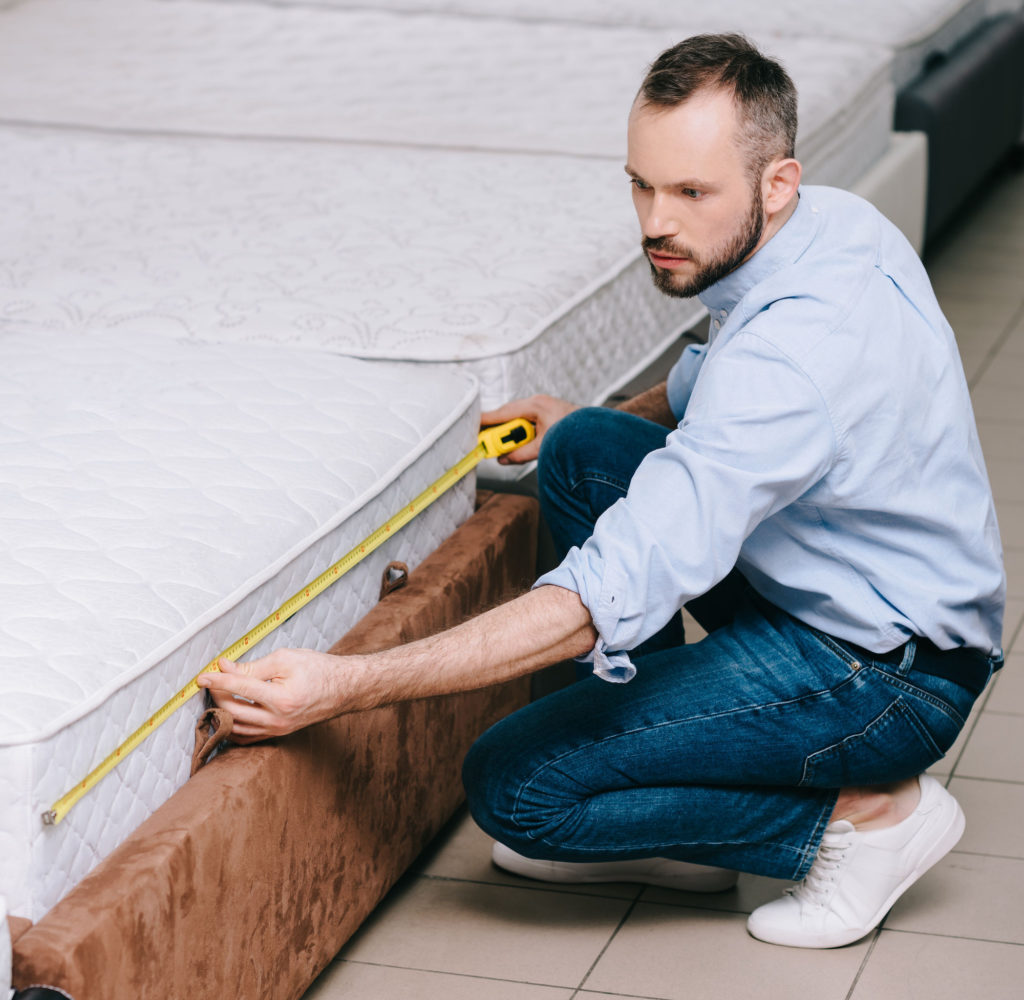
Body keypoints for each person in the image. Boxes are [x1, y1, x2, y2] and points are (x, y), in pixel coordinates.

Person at [199, 33, 1005, 949]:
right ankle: (682, 807)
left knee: (516, 787)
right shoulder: (824, 226)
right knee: (584, 446)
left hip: (886, 677)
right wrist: (607, 409)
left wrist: (345, 684)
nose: (655, 222)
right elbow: (717, 381)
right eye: (641, 184)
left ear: (775, 182)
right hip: (855, 596)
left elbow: (597, 599)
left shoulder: (797, 357)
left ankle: (858, 828)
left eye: (691, 194)